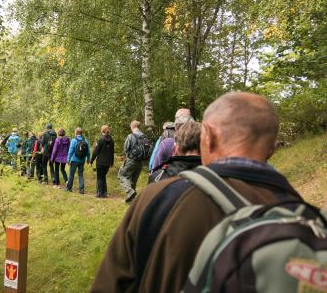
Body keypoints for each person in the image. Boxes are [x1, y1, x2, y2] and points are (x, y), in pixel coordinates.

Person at [90, 92, 303, 293]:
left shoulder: (157, 197)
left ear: (206, 138)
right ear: (273, 148)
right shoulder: (299, 212)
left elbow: (111, 284)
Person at [118, 120, 148, 203]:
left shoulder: (131, 136)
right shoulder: (144, 136)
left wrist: (127, 156)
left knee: (122, 176)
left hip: (131, 160)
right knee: (133, 181)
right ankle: (132, 199)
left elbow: (126, 148)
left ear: (132, 127)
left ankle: (130, 192)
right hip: (140, 162)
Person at [90, 125, 115, 198]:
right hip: (108, 162)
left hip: (100, 162)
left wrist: (91, 161)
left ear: (102, 131)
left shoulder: (100, 140)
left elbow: (95, 152)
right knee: (103, 177)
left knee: (100, 178)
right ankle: (104, 192)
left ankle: (100, 194)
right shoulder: (112, 140)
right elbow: (112, 152)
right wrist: (112, 162)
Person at [66, 127, 91, 194]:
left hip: (74, 160)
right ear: (81, 133)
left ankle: (69, 188)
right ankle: (81, 189)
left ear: (76, 132)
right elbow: (88, 152)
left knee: (71, 174)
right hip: (82, 160)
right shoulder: (85, 141)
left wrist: (68, 159)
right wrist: (88, 159)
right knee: (80, 175)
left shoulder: (74, 140)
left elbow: (70, 151)